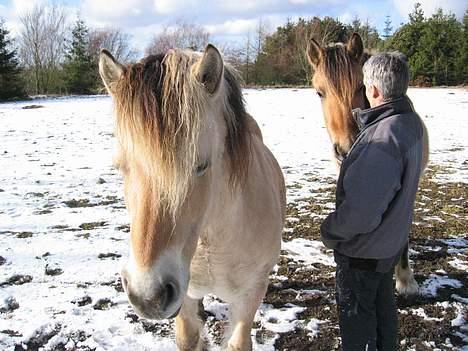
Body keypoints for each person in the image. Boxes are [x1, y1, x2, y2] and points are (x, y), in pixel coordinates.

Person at [320, 52, 425, 351]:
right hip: (387, 249)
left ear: (374, 91)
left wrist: (330, 230)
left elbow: (361, 215)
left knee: (357, 325)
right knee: (384, 313)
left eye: (362, 87)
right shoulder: (410, 123)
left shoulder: (381, 140)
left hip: (361, 255)